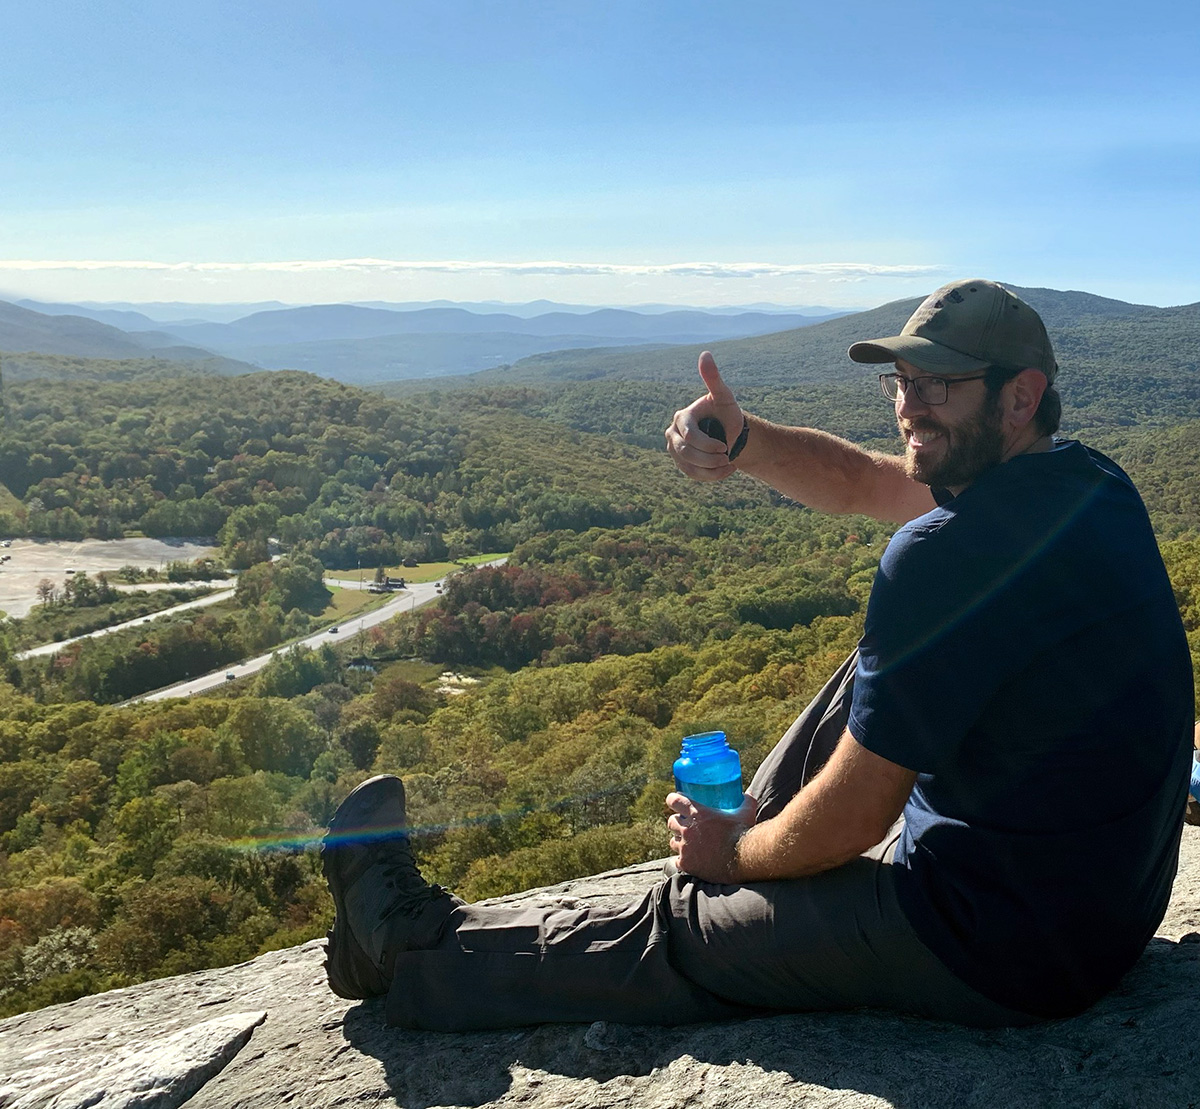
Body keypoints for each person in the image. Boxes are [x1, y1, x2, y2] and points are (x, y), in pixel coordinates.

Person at [321, 279, 1194, 1031]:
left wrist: (731, 861)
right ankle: (747, 838)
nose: (907, 403)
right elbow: (864, 483)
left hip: (996, 944)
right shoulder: (1090, 483)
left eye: (939, 384)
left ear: (1020, 394)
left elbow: (857, 817)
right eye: (902, 380)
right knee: (878, 665)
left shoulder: (946, 555)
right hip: (1101, 910)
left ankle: (404, 951)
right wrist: (742, 440)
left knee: (677, 935)